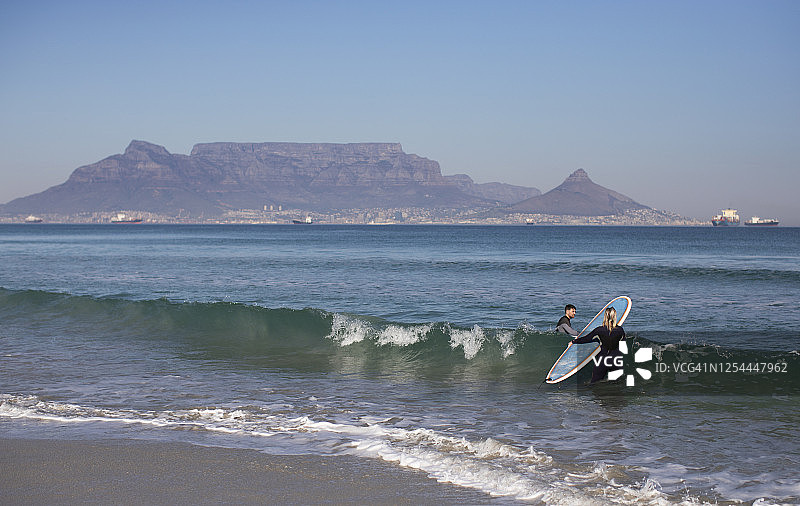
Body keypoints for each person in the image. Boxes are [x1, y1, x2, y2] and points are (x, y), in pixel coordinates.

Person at [571, 307, 626, 383]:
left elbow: (587, 339)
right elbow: (623, 344)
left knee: (594, 383)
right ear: (615, 317)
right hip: (615, 359)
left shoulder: (599, 329)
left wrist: (574, 341)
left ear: (605, 317)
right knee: (618, 383)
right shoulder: (620, 330)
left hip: (602, 359)